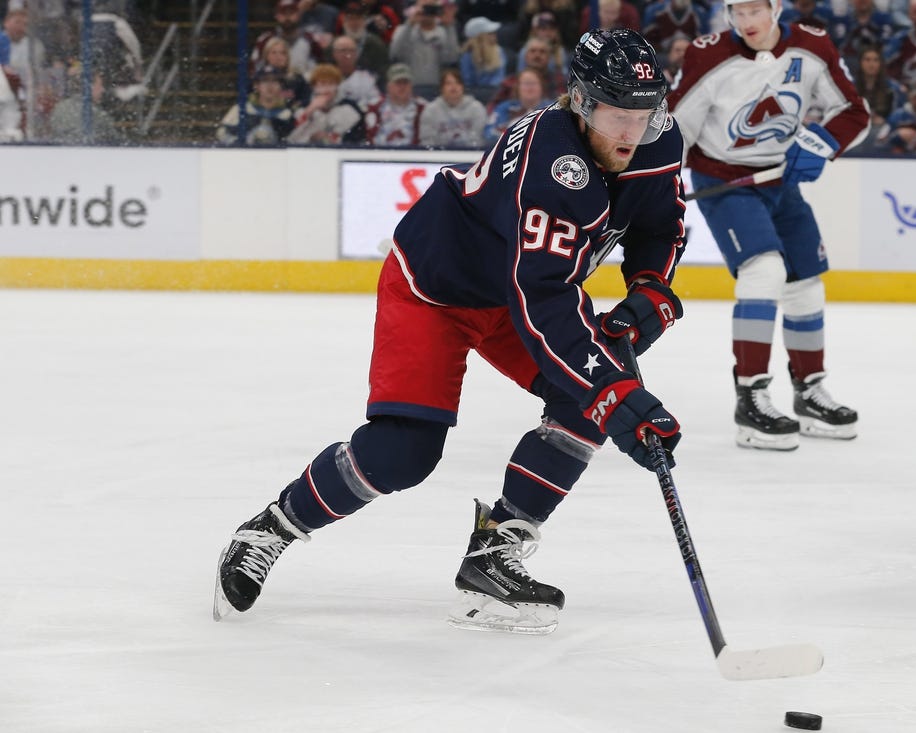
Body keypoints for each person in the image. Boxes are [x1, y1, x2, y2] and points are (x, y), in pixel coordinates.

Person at [213, 28, 686, 634]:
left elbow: (660, 223)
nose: (631, 132)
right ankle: (274, 527)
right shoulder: (554, 166)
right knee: (402, 453)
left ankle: (495, 554)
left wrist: (650, 290)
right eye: (618, 115)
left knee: (586, 402)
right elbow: (541, 300)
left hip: (513, 292)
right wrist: (615, 390)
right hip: (434, 288)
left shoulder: (655, 135)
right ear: (582, 102)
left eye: (643, 115)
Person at [667, 0, 869, 451]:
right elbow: (673, 129)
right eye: (736, 11)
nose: (746, 22)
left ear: (776, 8)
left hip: (781, 178)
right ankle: (751, 396)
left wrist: (821, 141)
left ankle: (809, 390)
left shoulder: (812, 46)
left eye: (755, 9)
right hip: (724, 180)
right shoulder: (707, 54)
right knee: (764, 272)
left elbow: (855, 111)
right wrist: (654, 187)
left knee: (805, 284)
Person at [215, 63, 296, 145]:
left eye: (274, 81)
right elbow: (222, 132)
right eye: (265, 80)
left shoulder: (287, 114)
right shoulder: (241, 109)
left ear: (281, 86)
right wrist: (237, 143)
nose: (270, 85)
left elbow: (293, 142)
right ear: (256, 85)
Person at [287, 62, 365, 144]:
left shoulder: (350, 108)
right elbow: (288, 138)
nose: (327, 89)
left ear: (337, 86)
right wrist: (310, 110)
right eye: (323, 84)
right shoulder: (302, 107)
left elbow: (355, 140)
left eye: (331, 84)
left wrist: (329, 139)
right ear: (314, 87)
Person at [388, 0, 461, 87]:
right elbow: (395, 54)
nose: (427, 12)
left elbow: (451, 58)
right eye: (425, 7)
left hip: (436, 87)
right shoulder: (404, 30)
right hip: (410, 88)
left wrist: (449, 26)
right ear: (416, 8)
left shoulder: (444, 33)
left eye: (431, 8)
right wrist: (410, 24)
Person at [418, 67, 486, 147]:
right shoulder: (430, 110)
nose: (454, 87)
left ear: (463, 87)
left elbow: (479, 139)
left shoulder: (477, 108)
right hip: (439, 156)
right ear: (441, 88)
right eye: (448, 83)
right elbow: (427, 141)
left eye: (457, 83)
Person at [363, 62, 427, 145]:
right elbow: (370, 139)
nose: (402, 87)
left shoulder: (423, 107)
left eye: (405, 83)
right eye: (398, 83)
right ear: (388, 86)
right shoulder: (375, 107)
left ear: (411, 85)